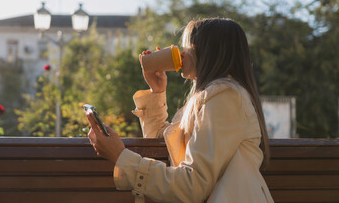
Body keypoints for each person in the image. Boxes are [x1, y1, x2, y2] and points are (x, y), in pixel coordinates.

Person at [87, 18, 275, 203]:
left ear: (209, 52)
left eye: (188, 47)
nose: (182, 54)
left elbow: (192, 185)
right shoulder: (213, 97)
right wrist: (157, 91)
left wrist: (120, 157)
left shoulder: (225, 97)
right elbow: (164, 145)